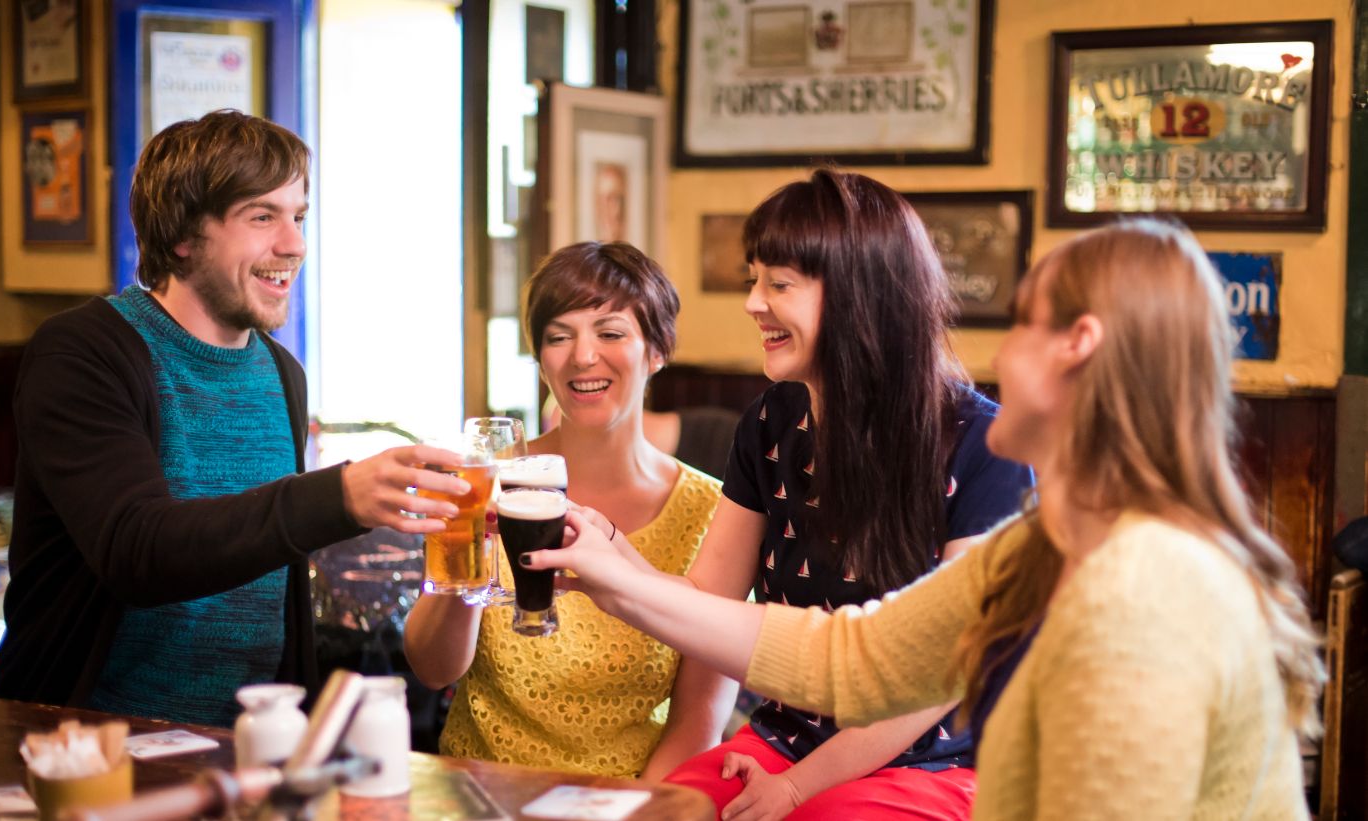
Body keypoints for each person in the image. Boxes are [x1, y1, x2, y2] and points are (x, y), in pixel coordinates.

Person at [529, 219, 1324, 819]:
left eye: (1020, 325)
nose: (995, 360)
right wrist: (619, 574)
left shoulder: (1145, 594)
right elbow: (851, 659)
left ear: (1078, 347)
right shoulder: (1036, 549)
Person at [572, 170, 1035, 819]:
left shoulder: (986, 445)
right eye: (753, 279)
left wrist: (796, 787)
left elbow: (940, 672)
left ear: (858, 294)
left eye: (779, 284)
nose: (753, 302)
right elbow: (709, 602)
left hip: (936, 760)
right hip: (782, 739)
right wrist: (608, 553)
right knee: (653, 812)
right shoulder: (770, 422)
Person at [0, 110, 470, 726]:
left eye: (298, 215)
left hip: (247, 747)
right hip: (91, 745)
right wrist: (339, 496)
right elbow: (137, 551)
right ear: (184, 235)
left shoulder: (280, 372)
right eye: (262, 216)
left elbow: (268, 566)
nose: (294, 244)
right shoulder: (85, 352)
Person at [403, 242, 730, 778]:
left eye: (610, 332)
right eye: (559, 336)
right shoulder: (483, 480)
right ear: (541, 361)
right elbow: (434, 669)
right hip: (481, 795)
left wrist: (630, 813)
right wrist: (470, 548)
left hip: (632, 804)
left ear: (657, 351)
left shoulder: (714, 510)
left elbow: (699, 721)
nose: (582, 356)